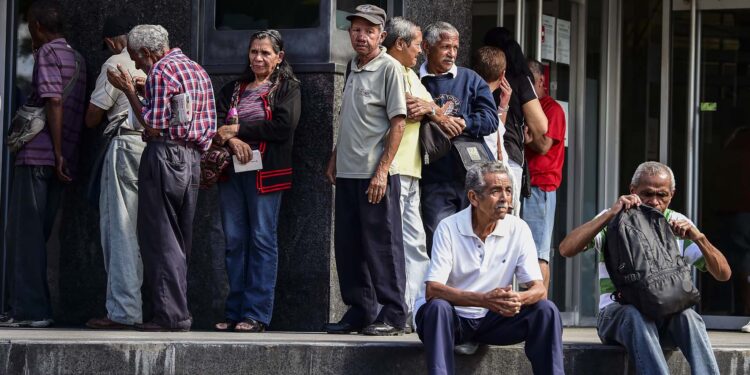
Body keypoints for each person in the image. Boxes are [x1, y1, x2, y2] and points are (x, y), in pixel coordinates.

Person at [559, 161, 732, 375]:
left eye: (662, 195)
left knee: (688, 316)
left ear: (672, 194)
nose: (654, 201)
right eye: (647, 194)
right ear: (633, 191)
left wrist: (698, 238)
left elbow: (723, 274)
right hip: (617, 316)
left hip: (663, 319)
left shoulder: (677, 223)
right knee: (635, 315)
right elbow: (566, 249)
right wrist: (609, 215)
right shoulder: (615, 220)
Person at [107, 24, 216, 332]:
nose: (137, 64)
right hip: (192, 158)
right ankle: (177, 312)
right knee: (180, 239)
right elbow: (180, 111)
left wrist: (129, 90)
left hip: (164, 155)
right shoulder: (196, 69)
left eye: (136, 57)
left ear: (147, 52)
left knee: (160, 237)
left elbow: (152, 125)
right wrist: (146, 91)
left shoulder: (159, 72)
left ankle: (170, 316)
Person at [415, 162, 564, 375]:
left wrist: (516, 299)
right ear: (474, 198)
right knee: (438, 307)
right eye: (496, 191)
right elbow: (433, 290)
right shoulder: (448, 227)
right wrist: (485, 299)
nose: (504, 198)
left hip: (492, 318)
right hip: (452, 320)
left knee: (546, 310)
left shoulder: (518, 229)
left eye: (508, 190)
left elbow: (539, 289)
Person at [323, 4, 408, 336]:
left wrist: (382, 171)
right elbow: (351, 119)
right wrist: (334, 157)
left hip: (377, 174)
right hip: (348, 171)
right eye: (356, 29)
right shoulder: (351, 66)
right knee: (349, 245)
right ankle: (360, 308)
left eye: (369, 31)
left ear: (381, 36)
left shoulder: (390, 69)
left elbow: (398, 123)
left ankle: (393, 312)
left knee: (382, 245)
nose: (361, 36)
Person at [0, 0, 86, 328]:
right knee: (39, 235)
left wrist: (58, 151)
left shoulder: (48, 54)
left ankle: (31, 312)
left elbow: (54, 101)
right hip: (59, 163)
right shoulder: (77, 58)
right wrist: (65, 155)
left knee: (27, 236)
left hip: (39, 156)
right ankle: (31, 308)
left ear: (37, 26)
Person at [210, 30, 301, 333]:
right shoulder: (233, 89)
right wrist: (231, 140)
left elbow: (282, 126)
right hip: (231, 173)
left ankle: (256, 315)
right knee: (235, 241)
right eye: (253, 52)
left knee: (262, 239)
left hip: (266, 174)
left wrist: (236, 132)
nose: (258, 58)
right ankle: (234, 311)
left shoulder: (287, 88)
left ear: (279, 57)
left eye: (265, 53)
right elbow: (217, 125)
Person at [84, 16, 148, 330]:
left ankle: (124, 311)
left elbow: (93, 116)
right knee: (150, 234)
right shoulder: (160, 65)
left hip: (125, 145)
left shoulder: (116, 61)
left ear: (112, 41)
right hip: (156, 150)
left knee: (120, 230)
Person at [416, 21, 499, 253]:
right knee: (439, 244)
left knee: (477, 243)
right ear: (426, 47)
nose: (451, 53)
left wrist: (465, 122)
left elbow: (491, 119)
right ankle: (443, 290)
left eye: (455, 47)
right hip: (434, 178)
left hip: (472, 178)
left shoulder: (470, 79)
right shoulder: (414, 81)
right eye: (445, 47)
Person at [383, 17, 435, 332]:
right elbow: (402, 107)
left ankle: (416, 311)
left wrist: (428, 108)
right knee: (392, 243)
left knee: (414, 243)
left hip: (411, 169)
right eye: (417, 44)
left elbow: (432, 106)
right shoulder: (385, 67)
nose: (420, 50)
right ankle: (397, 310)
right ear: (400, 43)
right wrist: (426, 108)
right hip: (391, 169)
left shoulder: (410, 74)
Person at [483, 27, 549, 215]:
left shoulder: (476, 77)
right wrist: (525, 134)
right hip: (509, 154)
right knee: (507, 221)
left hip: (479, 155)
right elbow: (541, 125)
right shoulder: (520, 80)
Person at [522, 59, 567, 290]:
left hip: (541, 187)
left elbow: (543, 146)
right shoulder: (525, 104)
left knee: (537, 253)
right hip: (521, 185)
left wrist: (530, 139)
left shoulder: (553, 109)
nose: (525, 86)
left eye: (530, 80)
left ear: (541, 81)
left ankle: (538, 313)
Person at [472, 46, 512, 166]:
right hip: (486, 172)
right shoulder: (483, 100)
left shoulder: (469, 96)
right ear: (502, 75)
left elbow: (496, 129)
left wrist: (503, 106)